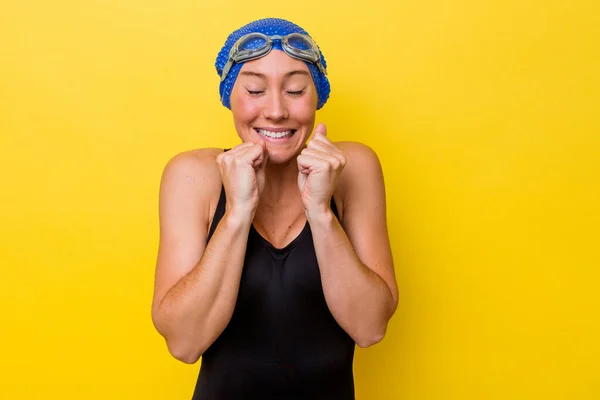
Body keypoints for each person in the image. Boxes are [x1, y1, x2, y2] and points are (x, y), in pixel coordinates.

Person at [151, 17, 399, 399]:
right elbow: (184, 344)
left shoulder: (353, 168)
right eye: (254, 89)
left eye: (296, 90)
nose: (277, 110)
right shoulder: (193, 177)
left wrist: (320, 212)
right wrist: (236, 215)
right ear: (229, 97)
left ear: (316, 96)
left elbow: (370, 328)